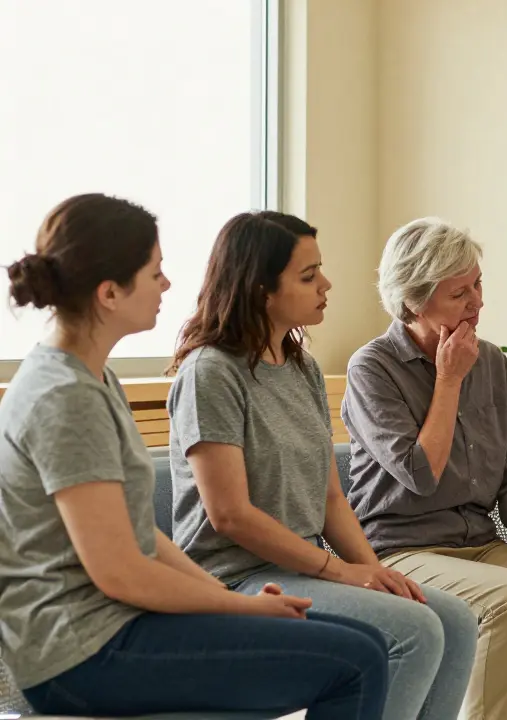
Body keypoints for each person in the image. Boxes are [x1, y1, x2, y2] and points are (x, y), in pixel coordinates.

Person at [0, 194, 389, 719]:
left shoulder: (92, 378)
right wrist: (242, 606)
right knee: (358, 659)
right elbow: (122, 574)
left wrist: (220, 598)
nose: (167, 285)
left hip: (112, 629)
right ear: (110, 292)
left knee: (347, 641)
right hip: (82, 652)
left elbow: (138, 536)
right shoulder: (64, 398)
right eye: (155, 273)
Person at [166, 211, 478, 720]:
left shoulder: (302, 367)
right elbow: (230, 516)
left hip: (304, 567)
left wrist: (375, 573)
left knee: (456, 621)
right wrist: (344, 572)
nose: (326, 285)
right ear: (261, 289)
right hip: (236, 579)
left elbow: (332, 497)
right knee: (414, 631)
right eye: (308, 276)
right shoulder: (210, 374)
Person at [341, 217, 507, 720]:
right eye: (460, 293)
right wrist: (448, 380)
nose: (478, 303)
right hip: (400, 547)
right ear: (414, 300)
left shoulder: (491, 363)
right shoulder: (371, 368)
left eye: (478, 284)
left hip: (477, 541)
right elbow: (419, 472)